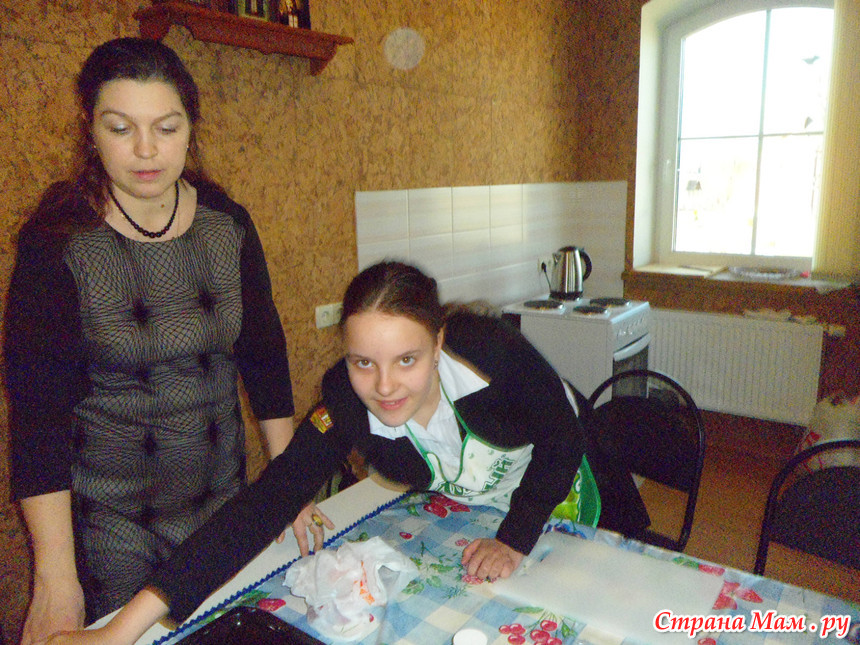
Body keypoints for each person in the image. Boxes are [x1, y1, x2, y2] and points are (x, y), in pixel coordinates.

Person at [38, 260, 649, 645]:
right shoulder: (346, 399)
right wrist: (119, 632)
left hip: (566, 491)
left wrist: (516, 536)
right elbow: (264, 504)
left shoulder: (492, 353)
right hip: (476, 515)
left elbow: (564, 438)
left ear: (438, 341)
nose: (384, 387)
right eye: (363, 362)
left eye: (406, 359)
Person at [3, 38, 295, 644]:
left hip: (224, 511)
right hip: (112, 529)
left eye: (166, 127)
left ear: (191, 129)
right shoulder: (57, 244)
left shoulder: (228, 225)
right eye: (120, 128)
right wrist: (55, 578)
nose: (145, 149)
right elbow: (38, 419)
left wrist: (289, 490)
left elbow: (265, 358)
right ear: (91, 131)